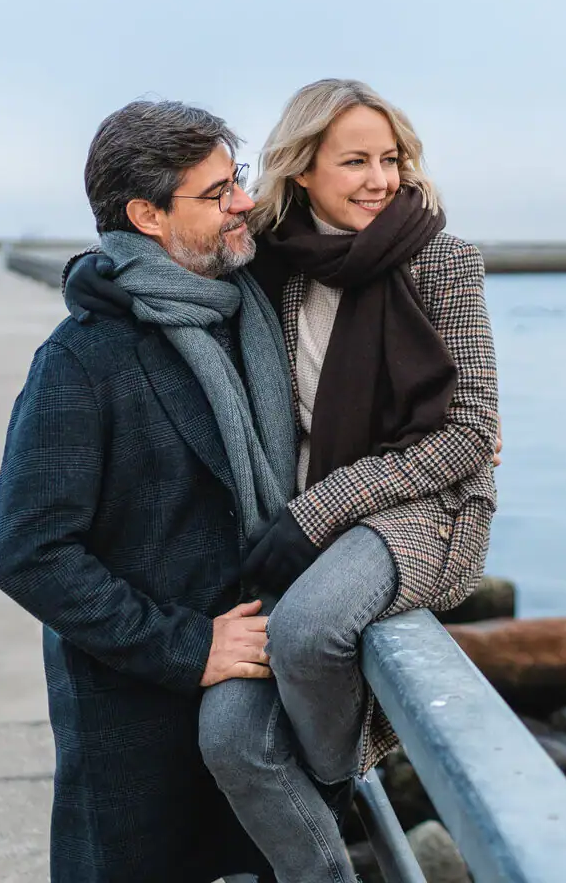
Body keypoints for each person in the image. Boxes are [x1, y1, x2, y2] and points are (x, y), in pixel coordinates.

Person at [65, 79, 499, 883]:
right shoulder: (273, 264)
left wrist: (319, 510)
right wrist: (97, 286)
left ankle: (333, 782)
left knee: (307, 635)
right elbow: (163, 268)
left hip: (422, 509)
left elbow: (470, 434)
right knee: (228, 736)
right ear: (300, 170)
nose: (381, 179)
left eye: (392, 158)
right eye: (356, 161)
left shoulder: (443, 261)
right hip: (300, 519)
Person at [0, 99, 287, 883]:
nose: (244, 203)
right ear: (147, 216)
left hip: (259, 712)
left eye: (240, 180)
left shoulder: (243, 309)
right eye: (218, 191)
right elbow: (30, 554)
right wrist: (192, 646)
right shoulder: (80, 361)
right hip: (137, 734)